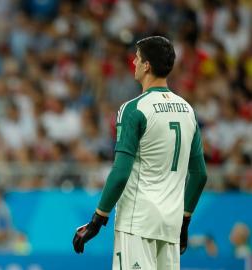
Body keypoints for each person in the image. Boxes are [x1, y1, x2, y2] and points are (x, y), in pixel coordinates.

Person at [72, 36, 207, 270]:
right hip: (171, 224)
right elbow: (199, 174)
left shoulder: (133, 109)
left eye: (137, 58)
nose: (133, 62)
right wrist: (184, 222)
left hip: (138, 221)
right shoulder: (188, 111)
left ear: (147, 66)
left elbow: (121, 172)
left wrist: (97, 219)